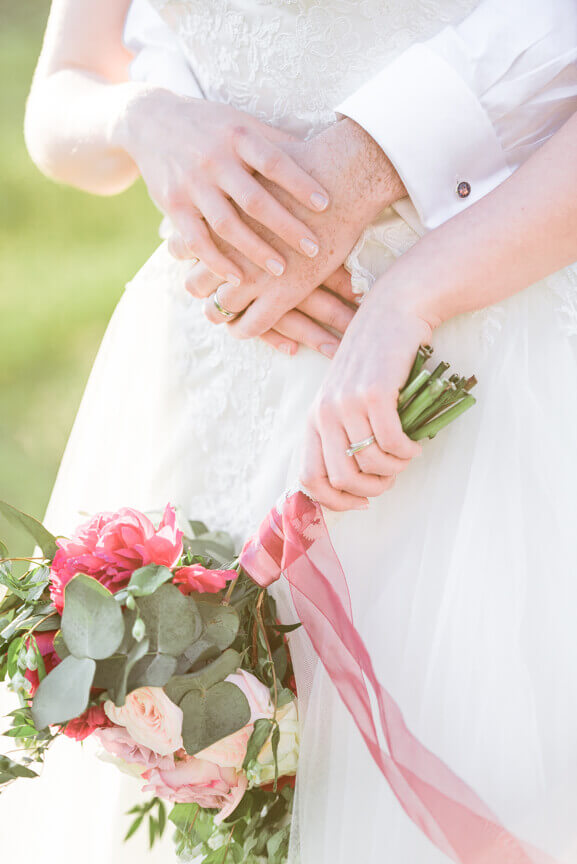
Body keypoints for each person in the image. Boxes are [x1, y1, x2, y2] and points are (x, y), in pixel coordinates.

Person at [1, 0, 577, 861]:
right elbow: (59, 100)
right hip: (212, 374)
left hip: (463, 352)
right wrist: (144, 121)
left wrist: (410, 296)